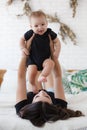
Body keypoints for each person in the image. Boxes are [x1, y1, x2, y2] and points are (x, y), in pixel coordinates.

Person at [15, 35, 84, 127]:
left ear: (31, 103)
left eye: (37, 97)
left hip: (32, 92)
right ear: (53, 105)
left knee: (34, 73)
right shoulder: (60, 105)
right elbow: (58, 77)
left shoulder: (22, 107)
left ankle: (39, 68)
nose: (42, 92)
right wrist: (52, 53)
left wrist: (25, 52)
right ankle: (43, 69)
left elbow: (21, 78)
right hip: (51, 93)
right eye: (46, 97)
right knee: (48, 73)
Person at [19, 10, 61, 92]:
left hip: (45, 60)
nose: (40, 27)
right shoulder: (30, 33)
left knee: (51, 63)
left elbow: (57, 42)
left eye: (42, 24)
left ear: (47, 24)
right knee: (31, 71)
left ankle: (43, 75)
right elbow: (21, 39)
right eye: (36, 25)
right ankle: (32, 84)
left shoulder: (49, 32)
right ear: (31, 26)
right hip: (32, 61)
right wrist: (23, 48)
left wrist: (57, 52)